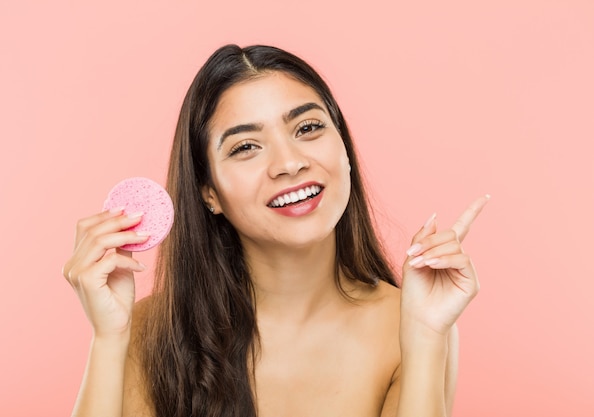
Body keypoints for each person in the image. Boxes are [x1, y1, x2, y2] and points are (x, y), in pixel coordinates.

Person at [63, 44, 489, 417]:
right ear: (208, 191)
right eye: (246, 146)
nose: (289, 162)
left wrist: (427, 335)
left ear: (344, 148)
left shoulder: (413, 324)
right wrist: (109, 338)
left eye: (308, 128)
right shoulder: (153, 330)